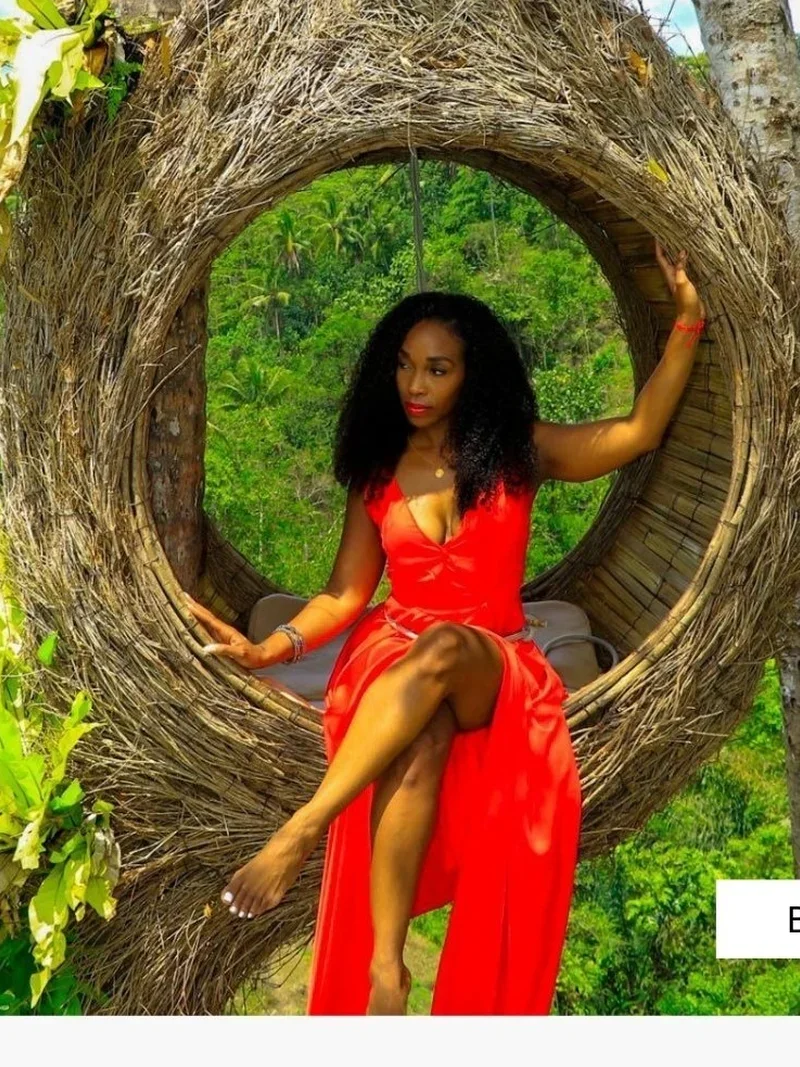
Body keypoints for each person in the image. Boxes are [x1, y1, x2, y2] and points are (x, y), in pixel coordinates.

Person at [185, 238, 706, 1014]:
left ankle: (302, 831)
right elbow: (345, 594)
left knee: (444, 649)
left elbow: (638, 432)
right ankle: (388, 970)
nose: (414, 384)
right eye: (403, 364)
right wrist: (271, 644)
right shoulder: (376, 467)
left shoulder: (520, 450)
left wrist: (688, 321)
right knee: (421, 738)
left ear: (474, 374)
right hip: (393, 651)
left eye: (437, 368)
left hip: (493, 657)